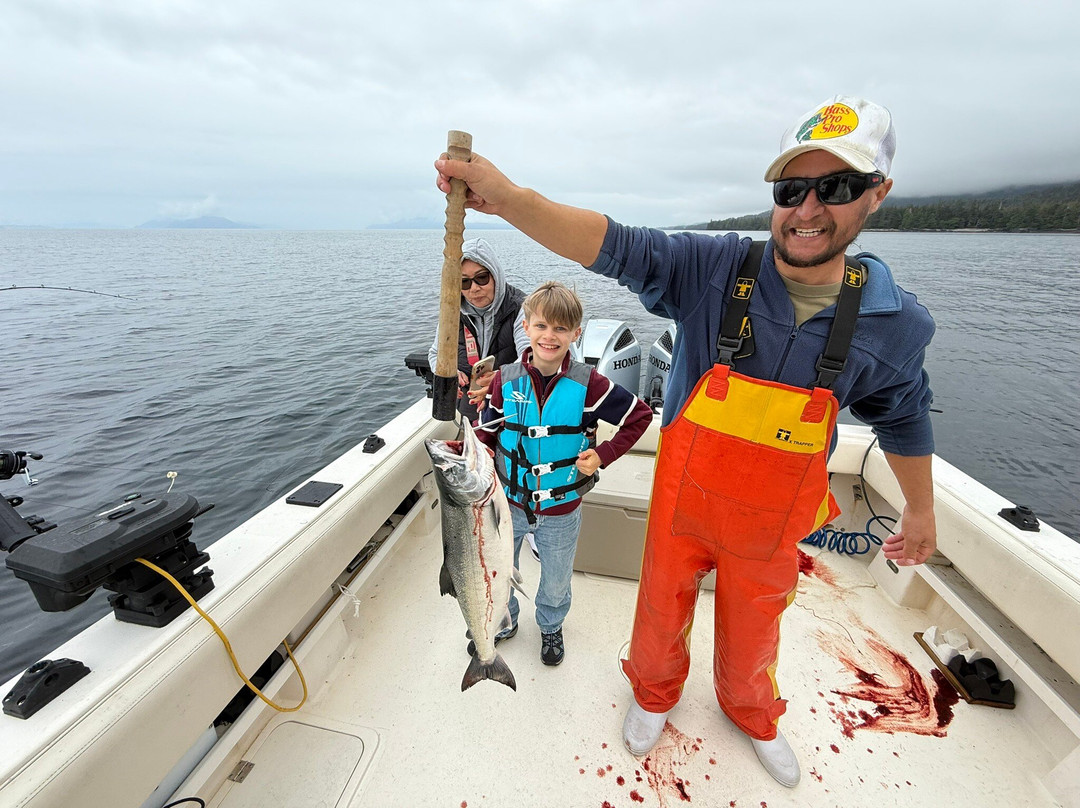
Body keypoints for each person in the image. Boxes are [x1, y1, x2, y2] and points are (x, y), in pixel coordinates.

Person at [435, 96, 937, 788]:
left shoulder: (895, 323)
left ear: (876, 195)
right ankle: (652, 694)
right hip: (685, 503)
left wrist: (920, 509)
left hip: (771, 522)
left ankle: (751, 710)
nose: (808, 209)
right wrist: (511, 199)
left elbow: (904, 414)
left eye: (838, 187)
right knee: (659, 611)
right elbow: (616, 244)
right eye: (791, 189)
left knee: (756, 629)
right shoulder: (712, 270)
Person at [473, 281, 653, 667]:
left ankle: (551, 624)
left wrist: (602, 455)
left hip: (563, 507)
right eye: (541, 326)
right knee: (502, 569)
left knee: (555, 579)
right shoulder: (504, 381)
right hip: (507, 505)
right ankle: (505, 620)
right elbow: (485, 434)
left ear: (576, 333)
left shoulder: (592, 385)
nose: (549, 336)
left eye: (560, 329)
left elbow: (639, 417)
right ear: (526, 326)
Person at [427, 237, 530, 421]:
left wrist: (501, 379)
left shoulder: (521, 307)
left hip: (512, 406)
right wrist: (448, 373)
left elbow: (530, 357)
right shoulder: (452, 312)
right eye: (464, 282)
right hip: (469, 407)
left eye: (481, 278)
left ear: (495, 274)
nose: (474, 288)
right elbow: (436, 354)